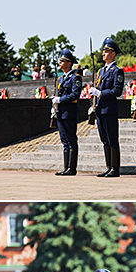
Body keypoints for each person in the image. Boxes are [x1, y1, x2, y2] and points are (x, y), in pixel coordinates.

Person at [90, 37, 124, 179]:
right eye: (103, 51)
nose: (103, 53)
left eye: (106, 51)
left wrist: (100, 93)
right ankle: (108, 167)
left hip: (109, 109)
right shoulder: (101, 71)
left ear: (113, 54)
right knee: (104, 139)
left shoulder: (117, 71)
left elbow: (117, 91)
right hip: (100, 109)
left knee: (112, 139)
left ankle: (115, 168)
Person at [54, 47, 82, 177]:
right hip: (60, 113)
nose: (60, 63)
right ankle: (66, 167)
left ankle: (72, 168)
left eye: (63, 61)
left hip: (69, 113)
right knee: (64, 141)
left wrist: (60, 99)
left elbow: (75, 95)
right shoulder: (61, 79)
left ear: (69, 63)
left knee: (71, 140)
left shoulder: (75, 77)